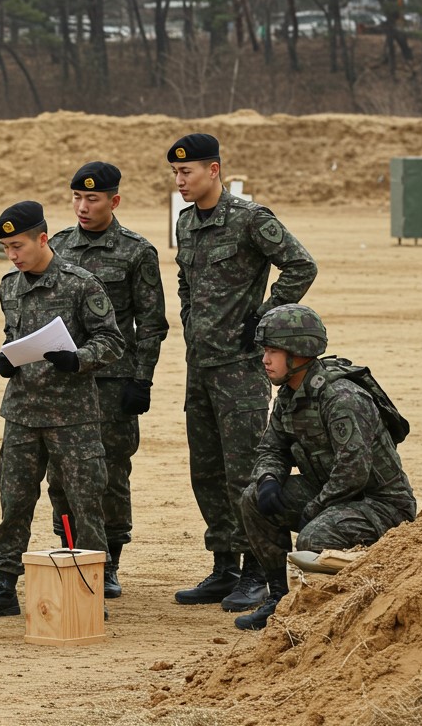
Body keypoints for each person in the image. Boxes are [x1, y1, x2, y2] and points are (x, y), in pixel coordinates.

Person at [168, 133, 318, 613]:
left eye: (186, 172)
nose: (180, 180)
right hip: (200, 367)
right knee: (206, 470)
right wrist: (191, 320)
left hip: (238, 368)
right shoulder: (187, 222)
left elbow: (300, 265)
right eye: (175, 173)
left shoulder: (250, 219)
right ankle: (223, 565)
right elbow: (184, 281)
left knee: (244, 472)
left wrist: (266, 319)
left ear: (213, 170)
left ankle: (258, 570)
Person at [0, 201, 125, 619]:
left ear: (41, 238)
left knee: (83, 504)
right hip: (21, 413)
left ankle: (88, 590)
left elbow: (112, 340)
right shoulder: (8, 286)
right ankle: (3, 586)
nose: (13, 255)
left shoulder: (81, 284)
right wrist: (5, 358)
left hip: (72, 416)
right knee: (14, 502)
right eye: (6, 248)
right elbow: (12, 335)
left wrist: (80, 358)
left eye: (18, 245)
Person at [235, 305, 416, 630]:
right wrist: (269, 480)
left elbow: (354, 471)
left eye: (273, 351)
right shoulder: (290, 395)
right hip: (331, 495)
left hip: (381, 505)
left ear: (300, 353)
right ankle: (280, 598)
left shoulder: (341, 397)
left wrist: (315, 508)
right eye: (265, 350)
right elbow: (270, 448)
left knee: (315, 536)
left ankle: (341, 608)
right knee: (252, 499)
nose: (265, 359)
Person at [48, 162, 168, 599]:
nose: (83, 206)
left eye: (93, 199)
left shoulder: (137, 252)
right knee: (61, 472)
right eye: (77, 197)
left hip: (113, 382)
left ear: (114, 201)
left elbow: (152, 324)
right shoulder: (57, 245)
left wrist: (143, 380)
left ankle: (109, 561)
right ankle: (70, 552)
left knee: (111, 473)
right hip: (64, 383)